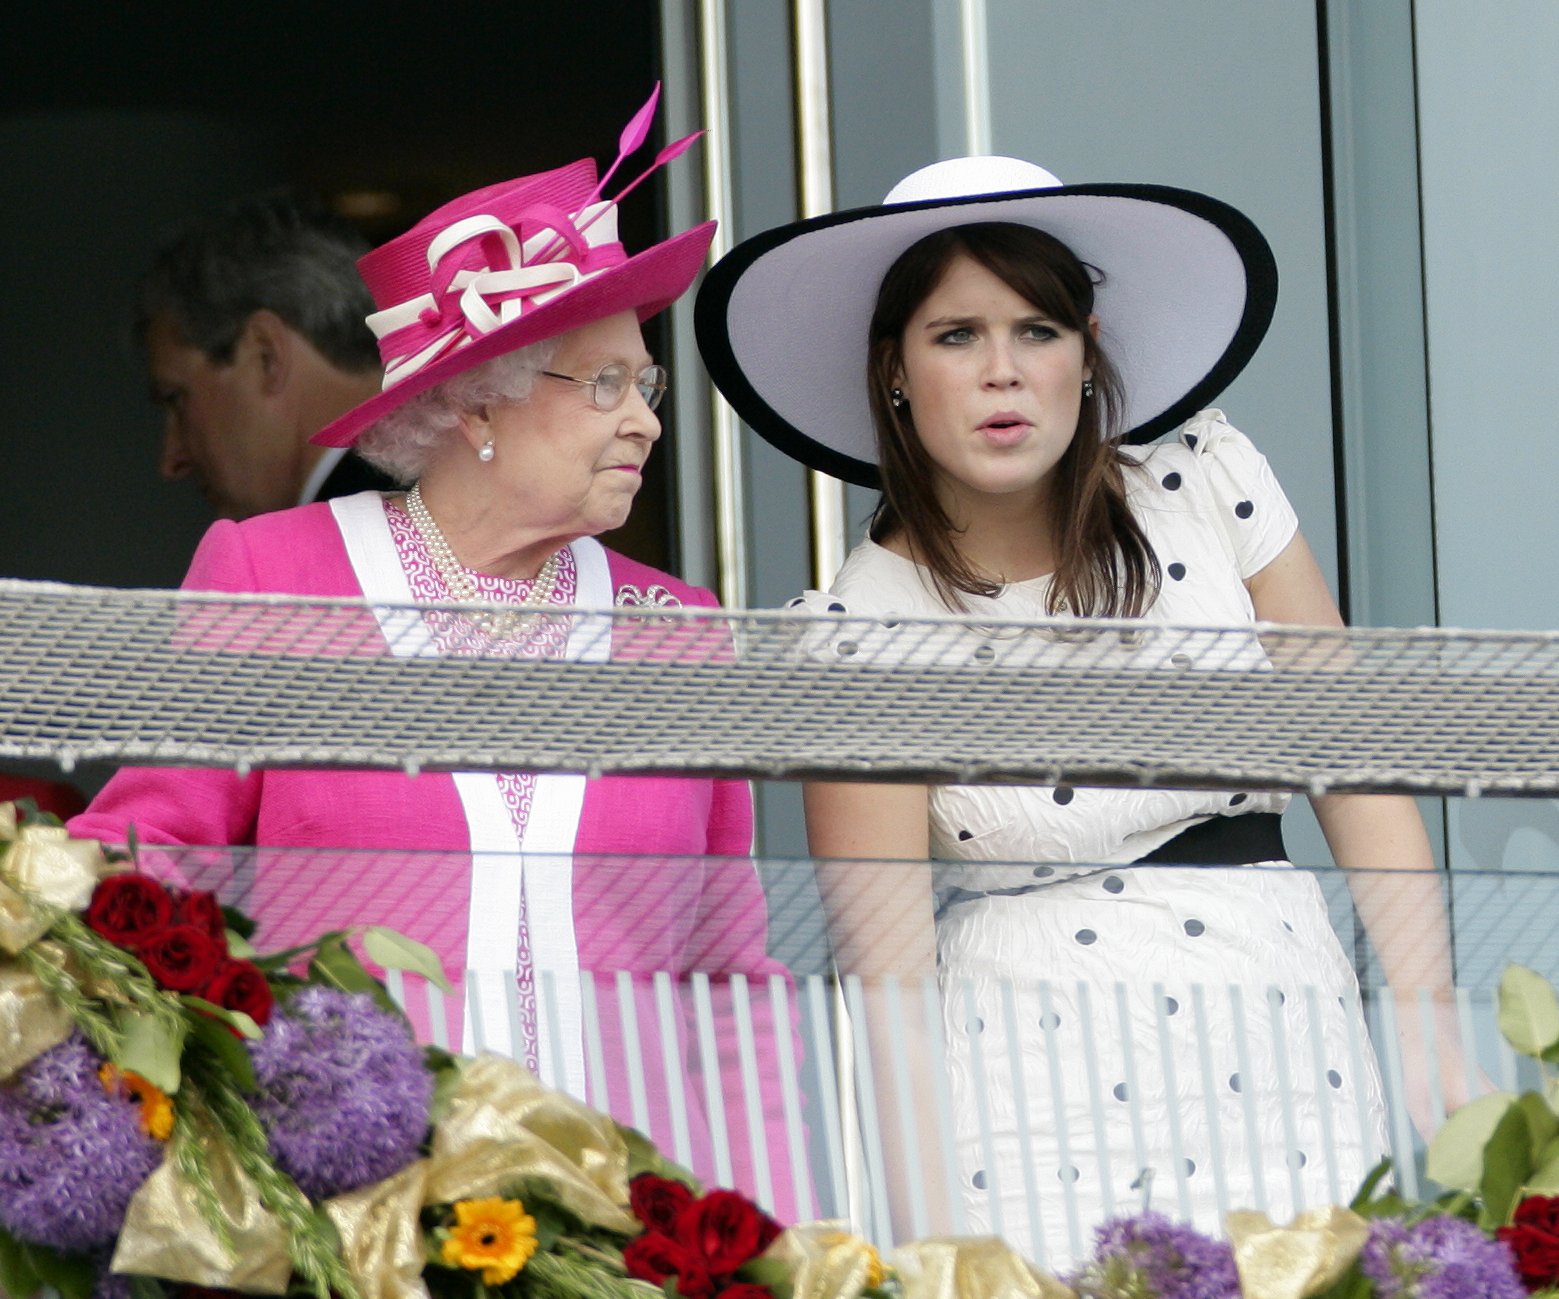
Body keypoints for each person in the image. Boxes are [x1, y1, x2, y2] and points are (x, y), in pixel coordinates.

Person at [696, 157, 1465, 1262]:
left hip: (1279, 1026)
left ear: (1086, 348)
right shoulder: (854, 625)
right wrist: (931, 1244)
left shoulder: (1202, 479)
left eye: (1037, 331)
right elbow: (888, 974)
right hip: (1021, 1082)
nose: (1001, 371)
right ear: (896, 371)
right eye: (955, 335)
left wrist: (1430, 1028)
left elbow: (1357, 772)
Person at [72, 90, 800, 1219]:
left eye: (644, 386)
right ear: (477, 405)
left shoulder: (680, 633)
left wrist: (759, 1229)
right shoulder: (275, 577)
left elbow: (729, 988)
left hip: (616, 1226)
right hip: (344, 1218)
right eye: (604, 384)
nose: (646, 421)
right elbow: (140, 869)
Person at [137, 192, 398, 519]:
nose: (171, 460)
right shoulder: (449, 486)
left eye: (176, 398)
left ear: (265, 354)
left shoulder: (341, 539)